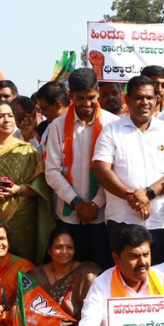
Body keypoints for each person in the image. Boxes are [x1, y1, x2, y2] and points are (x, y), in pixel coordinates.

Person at [92, 75, 164, 262]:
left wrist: (148, 194)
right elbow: (101, 170)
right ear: (127, 100)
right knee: (123, 277)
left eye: (149, 98)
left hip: (160, 221)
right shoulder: (111, 130)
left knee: (157, 278)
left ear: (157, 100)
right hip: (121, 220)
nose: (145, 102)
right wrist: (132, 197)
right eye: (139, 97)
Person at [44, 68, 118, 268]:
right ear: (71, 96)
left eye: (91, 98)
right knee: (70, 272)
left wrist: (94, 205)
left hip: (102, 215)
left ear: (98, 92)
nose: (86, 104)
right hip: (69, 214)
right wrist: (77, 203)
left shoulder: (113, 124)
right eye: (80, 98)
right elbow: (51, 171)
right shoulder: (57, 126)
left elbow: (115, 172)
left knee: (101, 270)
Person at [6, 228, 100, 326]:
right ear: (49, 251)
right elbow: (17, 306)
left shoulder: (86, 273)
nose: (64, 252)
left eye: (69, 247)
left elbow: (98, 310)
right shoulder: (36, 275)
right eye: (59, 247)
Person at [0, 100, 51, 259]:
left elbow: (41, 187)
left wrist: (17, 189)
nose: (7, 120)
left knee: (20, 269)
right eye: (0, 117)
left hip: (20, 221)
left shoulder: (26, 150)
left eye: (10, 116)